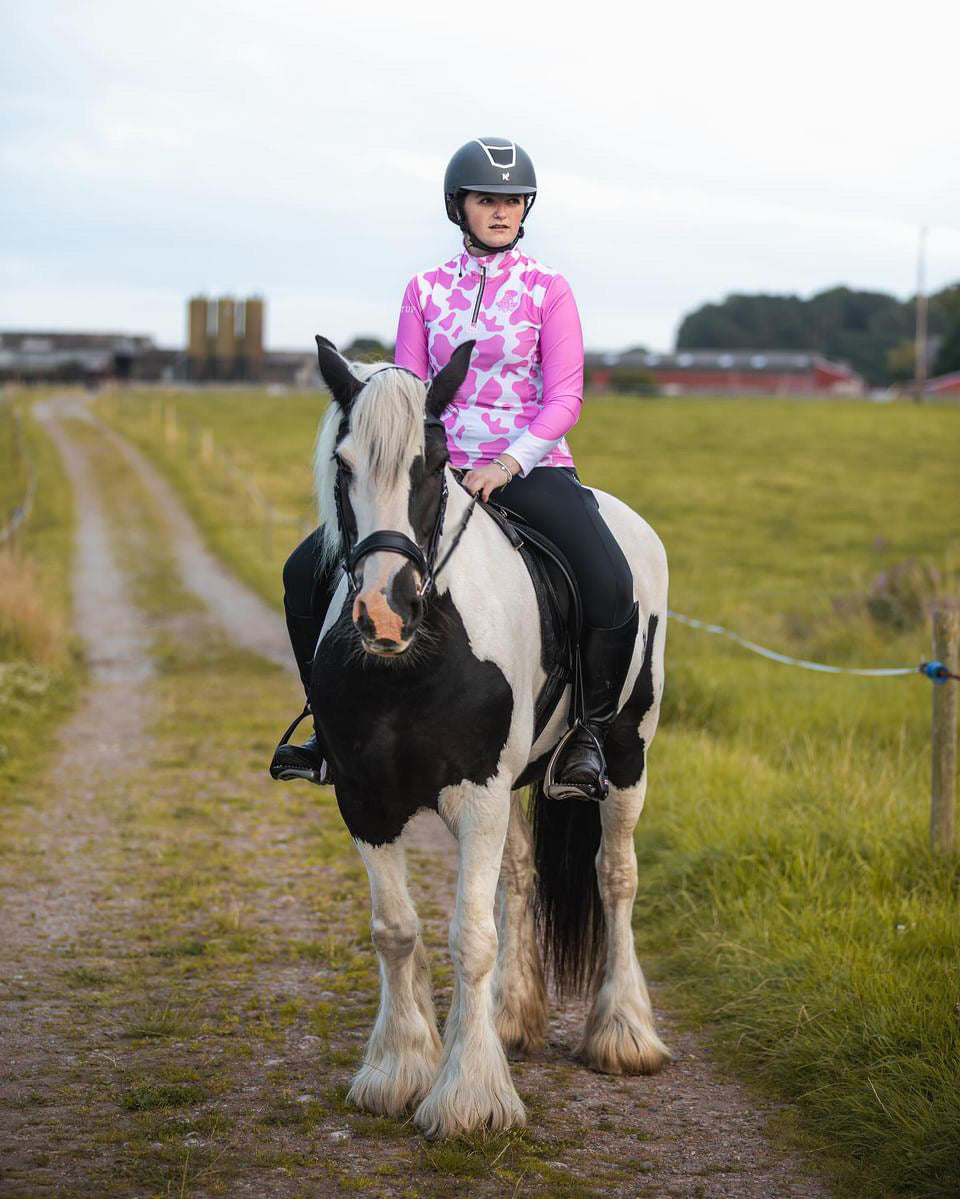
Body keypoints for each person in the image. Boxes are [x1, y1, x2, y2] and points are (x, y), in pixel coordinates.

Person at [271, 136, 637, 802]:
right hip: (433, 470)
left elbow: (566, 397)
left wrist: (506, 462)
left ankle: (589, 730)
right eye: (487, 199)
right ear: (458, 206)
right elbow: (407, 390)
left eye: (512, 201)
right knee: (304, 573)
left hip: (529, 465)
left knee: (610, 581)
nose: (501, 211)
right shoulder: (424, 290)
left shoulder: (549, 290)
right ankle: (325, 727)